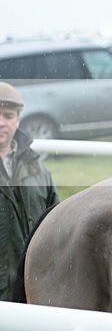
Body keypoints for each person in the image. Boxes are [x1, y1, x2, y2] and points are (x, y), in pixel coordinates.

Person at [0, 82, 59, 301]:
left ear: (18, 120)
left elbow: (55, 222)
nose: (1, 123)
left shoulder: (37, 167)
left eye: (7, 116)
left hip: (30, 284)